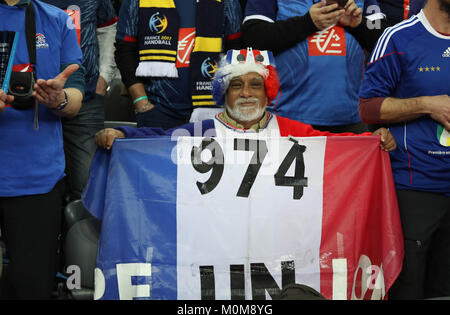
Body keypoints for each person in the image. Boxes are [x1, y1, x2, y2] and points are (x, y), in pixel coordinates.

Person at [95, 48, 396, 152]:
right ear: (223, 93)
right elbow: (159, 140)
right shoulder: (204, 130)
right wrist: (121, 133)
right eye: (236, 85)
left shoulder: (292, 129)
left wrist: (373, 140)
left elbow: (338, 145)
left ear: (269, 92)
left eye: (256, 84)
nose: (247, 93)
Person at [358, 0, 450, 299]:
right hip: (416, 186)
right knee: (409, 288)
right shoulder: (398, 37)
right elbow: (368, 109)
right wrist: (427, 104)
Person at [0, 0, 84, 299]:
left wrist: (58, 100)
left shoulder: (57, 20)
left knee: (31, 288)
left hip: (36, 179)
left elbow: (74, 97)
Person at [240, 0, 388, 134]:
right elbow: (253, 37)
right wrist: (308, 23)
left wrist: (358, 25)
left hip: (351, 120)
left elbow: (384, 41)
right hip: (287, 118)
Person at [114, 0, 244, 130]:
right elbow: (125, 50)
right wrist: (141, 102)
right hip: (158, 111)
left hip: (212, 111)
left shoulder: (228, 2)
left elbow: (236, 51)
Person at [40, 0, 118, 202]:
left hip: (87, 99)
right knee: (38, 186)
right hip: (34, 102)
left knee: (87, 185)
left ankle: (79, 234)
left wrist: (104, 76)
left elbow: (107, 27)